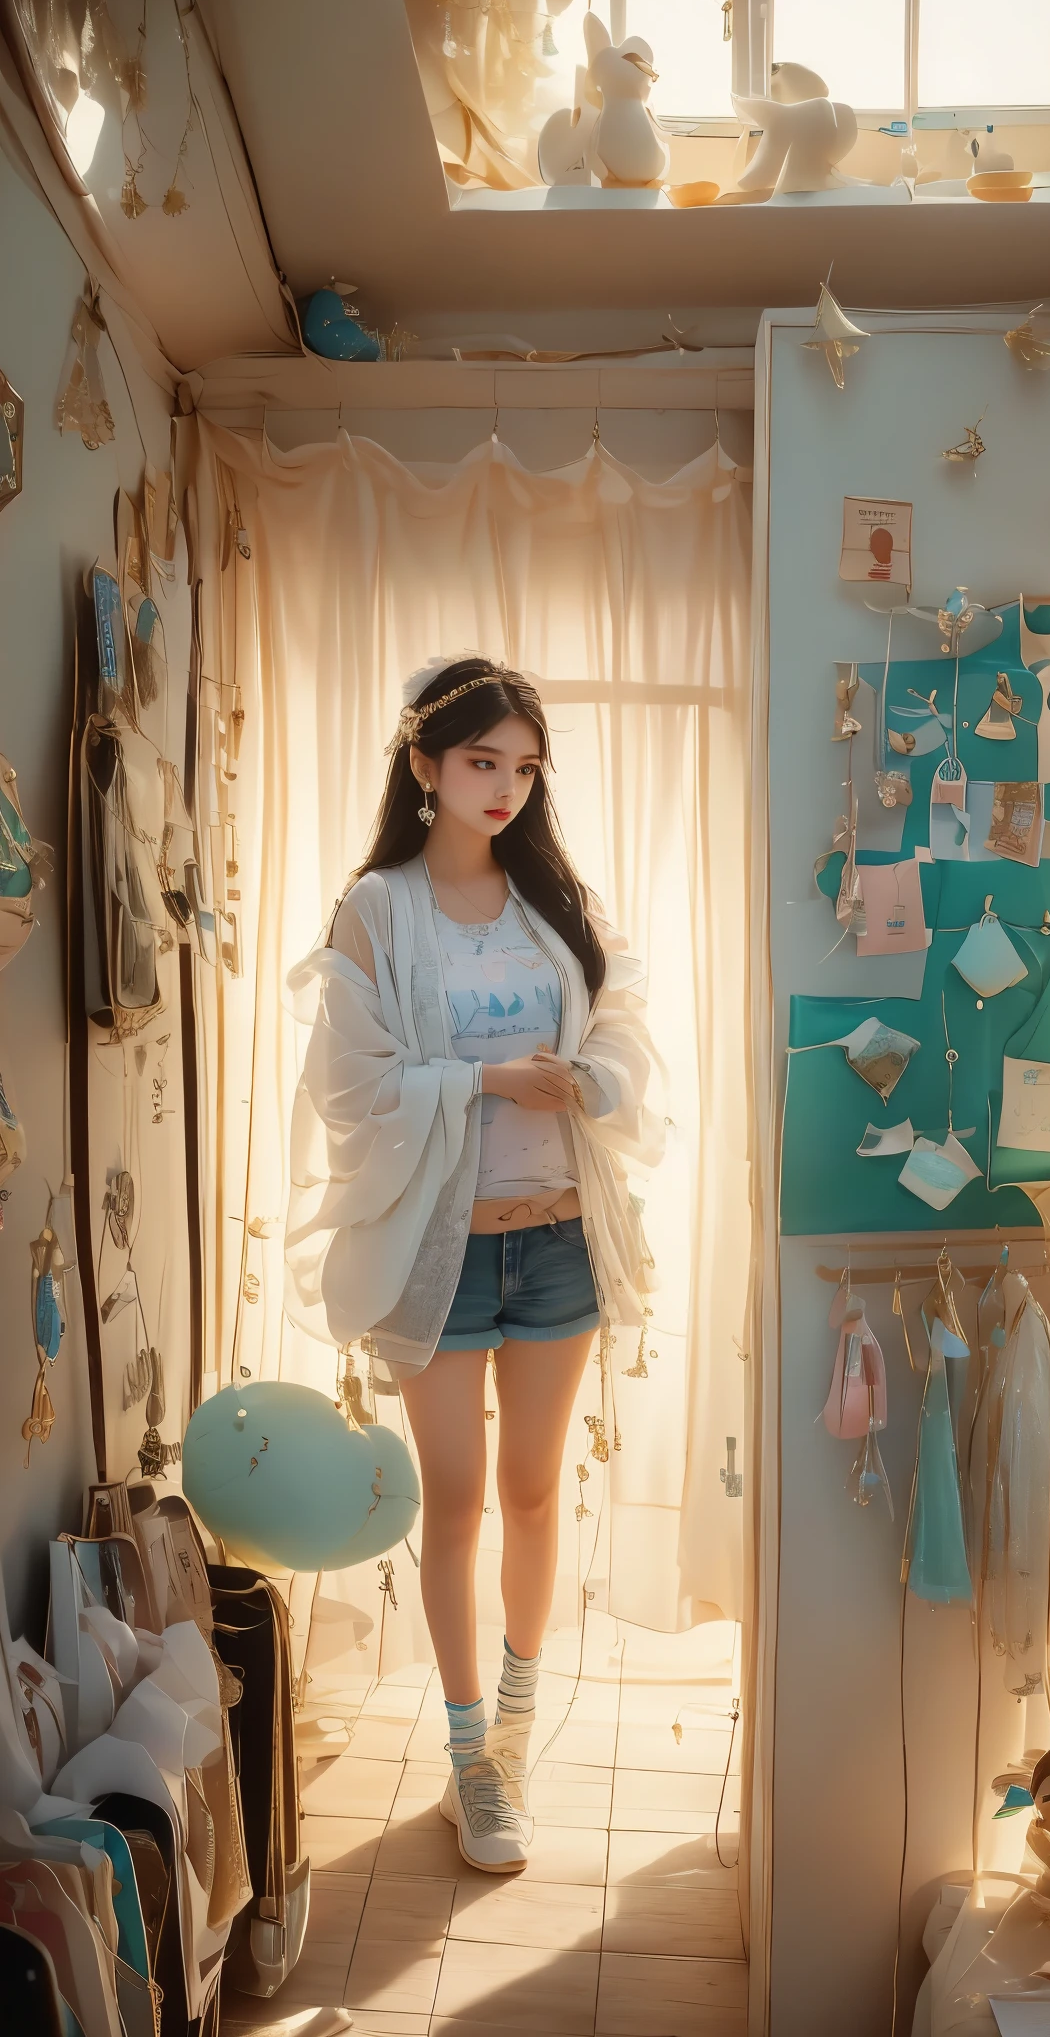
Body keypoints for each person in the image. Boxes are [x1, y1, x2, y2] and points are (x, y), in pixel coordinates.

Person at [284, 658, 662, 1873]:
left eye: (522, 765)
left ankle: (510, 1744)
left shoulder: (559, 903)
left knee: (537, 1494)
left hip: (560, 1235)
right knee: (453, 1501)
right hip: (437, 1254)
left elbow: (625, 1027)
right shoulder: (377, 910)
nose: (504, 787)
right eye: (481, 761)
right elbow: (351, 1082)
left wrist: (586, 1076)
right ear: (425, 767)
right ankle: (467, 1762)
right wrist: (489, 1079)